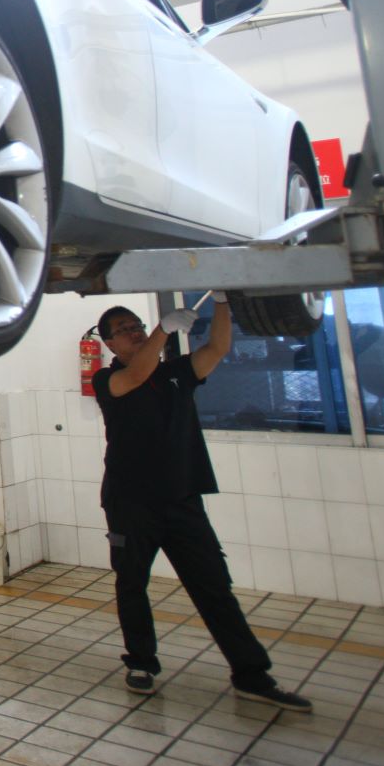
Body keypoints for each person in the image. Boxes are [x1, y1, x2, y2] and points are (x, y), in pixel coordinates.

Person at [92, 296, 313, 711]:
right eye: (123, 330)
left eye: (136, 324)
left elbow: (218, 349)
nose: (134, 332)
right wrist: (164, 328)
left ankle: (251, 675)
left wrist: (225, 302)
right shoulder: (109, 381)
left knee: (214, 588)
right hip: (130, 504)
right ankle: (141, 662)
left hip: (182, 501)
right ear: (109, 344)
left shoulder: (177, 374)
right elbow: (138, 374)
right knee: (132, 583)